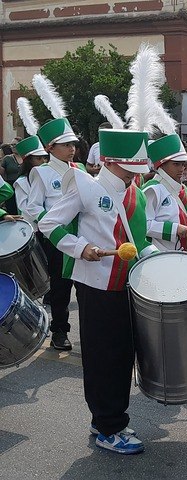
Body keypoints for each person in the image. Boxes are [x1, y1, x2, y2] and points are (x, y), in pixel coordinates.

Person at [39, 128, 155, 455]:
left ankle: (105, 417)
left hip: (127, 286)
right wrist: (81, 247)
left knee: (121, 354)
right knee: (104, 355)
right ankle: (109, 427)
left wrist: (163, 261)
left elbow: (139, 242)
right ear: (115, 161)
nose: (138, 172)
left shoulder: (137, 193)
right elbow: (50, 224)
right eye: (134, 165)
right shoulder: (86, 186)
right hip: (96, 285)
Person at [25, 116, 85, 351]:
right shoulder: (42, 173)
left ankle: (89, 331)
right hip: (57, 238)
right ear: (50, 148)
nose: (72, 149)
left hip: (82, 234)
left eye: (73, 145)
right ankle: (60, 331)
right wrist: (51, 224)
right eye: (66, 145)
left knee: (84, 286)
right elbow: (33, 207)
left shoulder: (80, 169)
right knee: (60, 288)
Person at [143, 133, 187, 252]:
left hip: (183, 253)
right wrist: (174, 229)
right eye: (176, 164)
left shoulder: (183, 189)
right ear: (161, 165)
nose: (181, 169)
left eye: (183, 164)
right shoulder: (152, 189)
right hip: (160, 256)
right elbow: (143, 225)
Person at [12, 136, 49, 224]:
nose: (43, 161)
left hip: (51, 222)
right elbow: (24, 207)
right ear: (29, 161)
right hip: (33, 226)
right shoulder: (21, 182)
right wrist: (43, 220)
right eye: (38, 158)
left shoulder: (48, 176)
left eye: (45, 158)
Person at [0, 143, 22, 214]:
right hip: (11, 183)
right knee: (11, 207)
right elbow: (2, 173)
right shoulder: (7, 158)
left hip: (22, 185)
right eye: (11, 145)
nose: (13, 146)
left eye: (15, 144)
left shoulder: (25, 157)